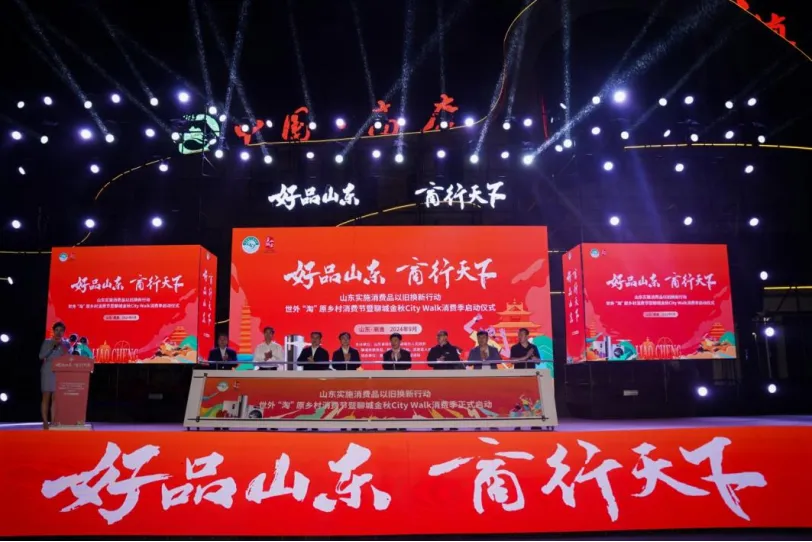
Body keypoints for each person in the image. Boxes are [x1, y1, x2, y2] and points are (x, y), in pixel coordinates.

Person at [38, 321, 70, 430]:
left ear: (64, 332)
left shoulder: (66, 344)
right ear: (53, 331)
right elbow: (41, 356)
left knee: (56, 398)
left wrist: (62, 346)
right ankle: (45, 421)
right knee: (46, 397)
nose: (58, 332)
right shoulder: (47, 342)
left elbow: (68, 357)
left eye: (61, 330)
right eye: (56, 330)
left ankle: (53, 421)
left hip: (60, 371)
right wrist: (52, 347)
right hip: (48, 370)